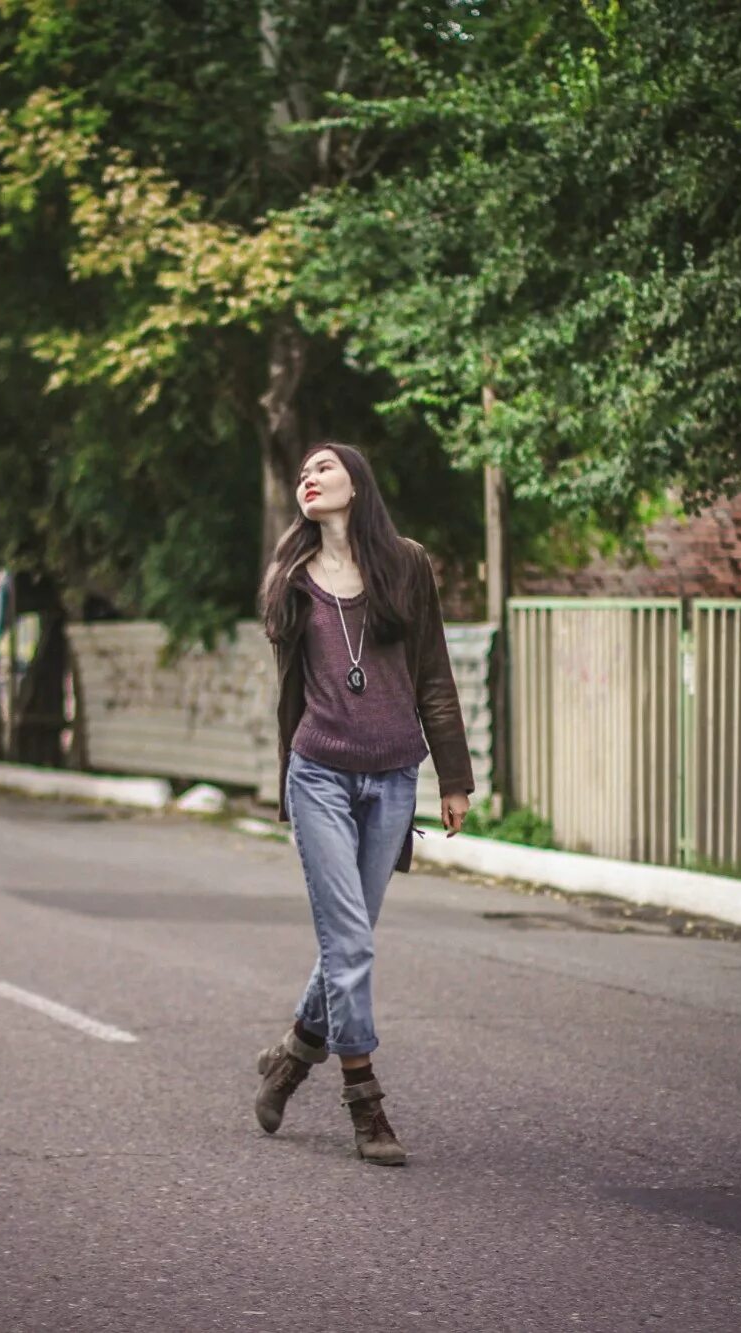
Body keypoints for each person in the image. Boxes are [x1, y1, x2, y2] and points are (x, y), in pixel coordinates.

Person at [251, 441, 473, 1166]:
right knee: (350, 944)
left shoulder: (404, 565)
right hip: (317, 774)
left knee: (348, 941)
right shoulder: (292, 579)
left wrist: (454, 776)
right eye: (303, 473)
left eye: (324, 467)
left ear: (356, 483)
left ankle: (293, 1054)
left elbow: (434, 673)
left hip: (394, 777)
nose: (308, 478)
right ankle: (364, 1100)